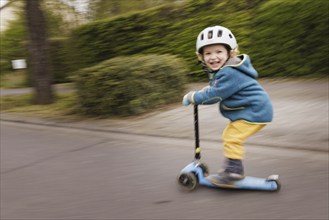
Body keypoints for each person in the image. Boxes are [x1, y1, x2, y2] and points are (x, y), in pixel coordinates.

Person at [182, 25, 273, 182]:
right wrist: (205, 91)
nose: (213, 57)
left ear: (230, 53)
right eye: (208, 53)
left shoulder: (229, 72)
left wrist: (194, 97)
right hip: (253, 109)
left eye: (219, 52)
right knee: (230, 135)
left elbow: (215, 95)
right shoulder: (229, 69)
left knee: (231, 137)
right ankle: (233, 166)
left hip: (254, 111)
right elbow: (218, 88)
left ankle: (234, 172)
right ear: (201, 57)